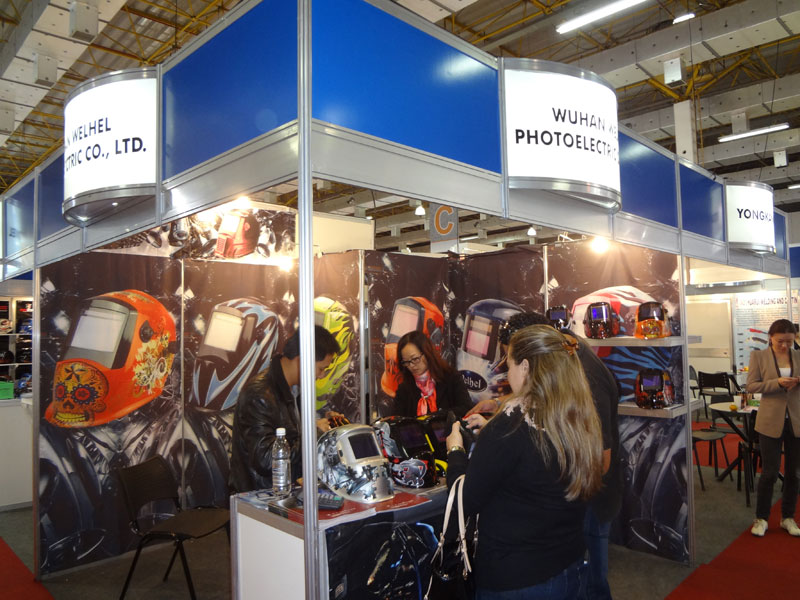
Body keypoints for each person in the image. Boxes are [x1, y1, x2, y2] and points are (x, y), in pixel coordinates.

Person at [465, 310, 621, 598]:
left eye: (509, 360)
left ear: (528, 362)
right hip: (560, 550)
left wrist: (461, 450)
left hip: (573, 521)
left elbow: (601, 461)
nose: (505, 370)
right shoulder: (569, 375)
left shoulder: (587, 378)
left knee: (595, 587)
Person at [229, 325, 341, 493]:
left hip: (287, 491)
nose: (321, 376)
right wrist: (313, 433)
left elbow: (292, 435)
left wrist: (323, 424)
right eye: (321, 369)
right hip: (260, 497)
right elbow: (266, 460)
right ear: (302, 360)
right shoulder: (259, 394)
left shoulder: (295, 389)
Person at [746, 318, 800, 537]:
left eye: (790, 341)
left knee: (794, 473)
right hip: (769, 421)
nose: (785, 345)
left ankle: (788, 517)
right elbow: (751, 386)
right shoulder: (759, 357)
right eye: (780, 341)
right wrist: (776, 383)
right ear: (770, 338)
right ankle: (761, 518)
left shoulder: (798, 356)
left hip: (796, 420)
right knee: (769, 472)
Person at [393, 329, 473, 419]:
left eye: (415, 359)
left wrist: (434, 417)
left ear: (427, 353)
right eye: (406, 362)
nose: (411, 365)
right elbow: (397, 419)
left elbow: (466, 408)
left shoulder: (451, 378)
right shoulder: (404, 389)